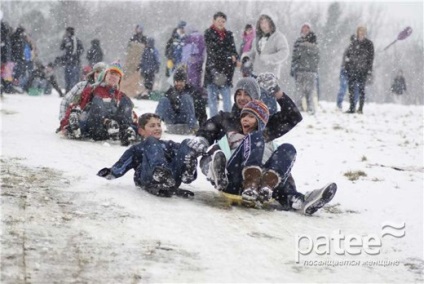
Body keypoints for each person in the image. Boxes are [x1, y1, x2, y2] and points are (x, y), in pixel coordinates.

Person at [96, 113, 206, 197]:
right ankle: (159, 172)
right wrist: (111, 172)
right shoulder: (138, 148)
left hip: (171, 178)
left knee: (187, 143)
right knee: (151, 141)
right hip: (148, 178)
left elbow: (182, 154)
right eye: (152, 126)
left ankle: (187, 173)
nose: (157, 128)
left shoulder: (168, 144)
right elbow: (123, 163)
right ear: (141, 131)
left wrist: (191, 150)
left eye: (159, 125)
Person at [60, 62, 136, 146]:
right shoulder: (93, 90)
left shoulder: (120, 96)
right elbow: (76, 105)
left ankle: (125, 131)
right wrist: (65, 123)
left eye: (117, 75)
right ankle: (77, 129)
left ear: (119, 80)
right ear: (105, 75)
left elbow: (130, 114)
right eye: (111, 73)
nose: (114, 76)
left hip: (111, 130)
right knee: (98, 101)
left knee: (127, 102)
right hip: (92, 126)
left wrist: (136, 128)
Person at [204, 11, 238, 116]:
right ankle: (214, 124)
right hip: (213, 71)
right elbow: (213, 51)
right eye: (219, 21)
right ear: (214, 21)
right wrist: (228, 56)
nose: (221, 23)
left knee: (227, 102)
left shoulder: (229, 35)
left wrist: (235, 57)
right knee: (213, 102)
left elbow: (234, 51)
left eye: (223, 21)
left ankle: (227, 123)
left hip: (226, 72)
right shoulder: (208, 33)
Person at [155, 68, 206, 134]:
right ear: (174, 82)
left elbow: (202, 110)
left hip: (187, 121)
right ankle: (154, 125)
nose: (179, 84)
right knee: (164, 100)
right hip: (173, 121)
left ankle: (193, 128)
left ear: (185, 82)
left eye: (181, 81)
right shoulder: (170, 92)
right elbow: (163, 107)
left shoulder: (192, 91)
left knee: (186, 97)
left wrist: (202, 126)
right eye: (177, 81)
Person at [242, 13, 289, 78]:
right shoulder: (256, 39)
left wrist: (268, 59)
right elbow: (253, 53)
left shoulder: (278, 37)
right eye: (261, 23)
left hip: (271, 75)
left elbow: (284, 52)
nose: (263, 25)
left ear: (271, 23)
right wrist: (246, 57)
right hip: (255, 74)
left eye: (266, 22)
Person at [290, 22, 320, 115]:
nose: (305, 30)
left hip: (301, 70)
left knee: (299, 90)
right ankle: (310, 107)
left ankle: (298, 107)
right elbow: (318, 58)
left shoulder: (300, 45)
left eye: (307, 28)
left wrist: (294, 68)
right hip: (311, 71)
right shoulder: (315, 46)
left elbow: (295, 57)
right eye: (304, 28)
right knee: (310, 90)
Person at [345, 26, 374, 114]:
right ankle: (352, 107)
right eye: (360, 31)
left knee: (361, 89)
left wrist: (369, 69)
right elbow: (348, 55)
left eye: (363, 31)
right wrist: (347, 67)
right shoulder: (353, 43)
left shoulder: (369, 44)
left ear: (365, 32)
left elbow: (371, 58)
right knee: (351, 89)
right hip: (352, 69)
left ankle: (360, 108)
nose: (361, 33)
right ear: (357, 32)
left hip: (363, 70)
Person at [336, 35, 359, 110]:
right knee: (346, 88)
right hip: (347, 71)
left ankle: (344, 104)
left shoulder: (351, 49)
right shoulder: (349, 49)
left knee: (348, 88)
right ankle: (341, 104)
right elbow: (345, 61)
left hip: (350, 71)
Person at [59, 27, 84, 93]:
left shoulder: (76, 40)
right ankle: (69, 92)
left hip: (73, 63)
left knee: (73, 79)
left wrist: (73, 56)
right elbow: (61, 47)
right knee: (69, 79)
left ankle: (72, 92)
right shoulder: (67, 40)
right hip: (69, 63)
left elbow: (81, 50)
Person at [181, 25, 206, 89]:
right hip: (200, 60)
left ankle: (192, 92)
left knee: (191, 77)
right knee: (198, 77)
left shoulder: (190, 37)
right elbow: (203, 49)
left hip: (192, 60)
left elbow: (187, 51)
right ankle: (198, 91)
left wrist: (184, 61)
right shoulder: (201, 36)